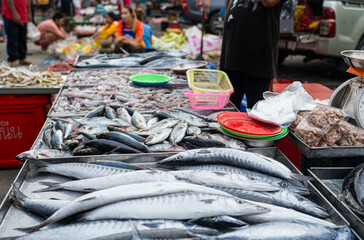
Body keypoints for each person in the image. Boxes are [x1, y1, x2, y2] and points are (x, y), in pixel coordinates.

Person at [201, 0, 285, 109]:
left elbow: (268, 2)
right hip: (231, 55)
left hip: (259, 59)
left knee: (258, 115)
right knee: (225, 111)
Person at [2, 0, 32, 67]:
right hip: (10, 13)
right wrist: (14, 13)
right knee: (12, 37)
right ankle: (13, 59)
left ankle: (22, 58)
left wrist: (29, 12)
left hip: (23, 12)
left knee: (22, 37)